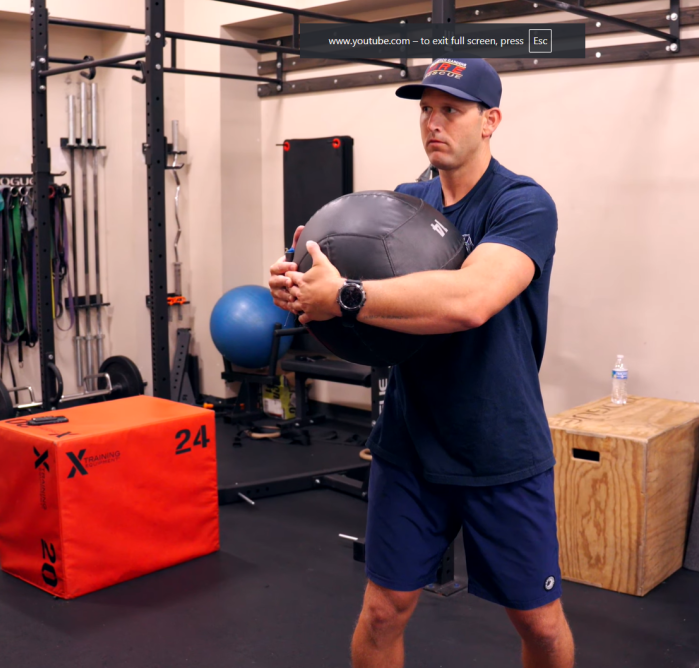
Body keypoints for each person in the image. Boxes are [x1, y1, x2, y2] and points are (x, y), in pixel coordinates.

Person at [269, 58, 572, 668]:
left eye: (451, 111)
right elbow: (349, 297)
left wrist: (345, 295)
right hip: (410, 441)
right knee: (384, 610)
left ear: (490, 121)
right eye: (426, 110)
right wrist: (299, 286)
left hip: (498, 445)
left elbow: (471, 301)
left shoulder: (523, 204)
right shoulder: (408, 203)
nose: (434, 123)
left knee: (539, 626)